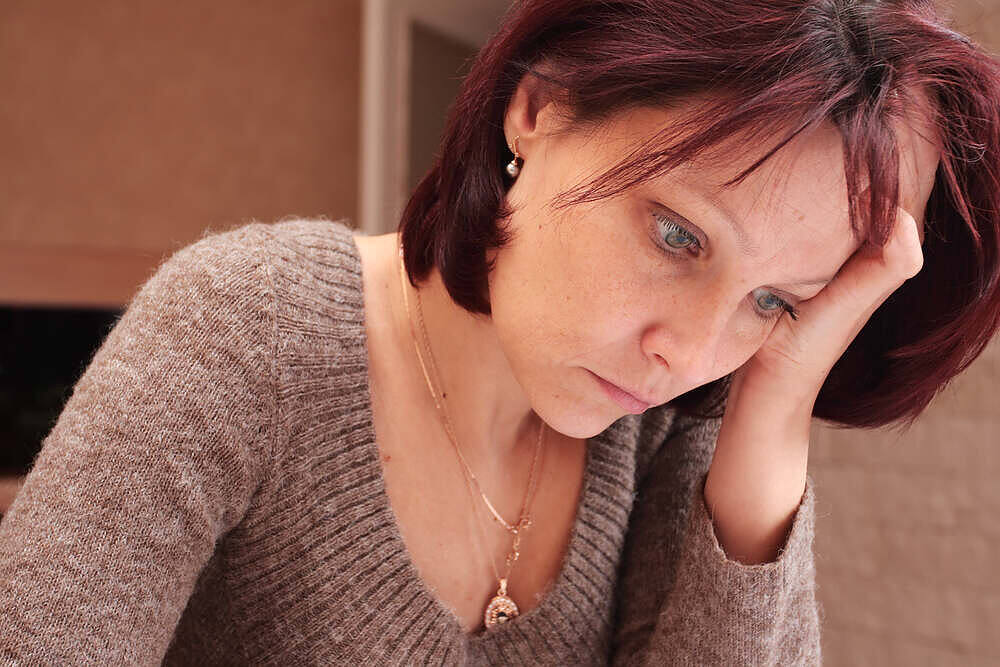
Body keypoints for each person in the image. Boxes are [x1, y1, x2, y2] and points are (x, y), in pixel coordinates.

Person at [2, 1, 998, 664]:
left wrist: (772, 411)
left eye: (774, 299)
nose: (688, 353)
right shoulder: (243, 330)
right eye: (675, 235)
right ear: (538, 105)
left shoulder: (678, 430)